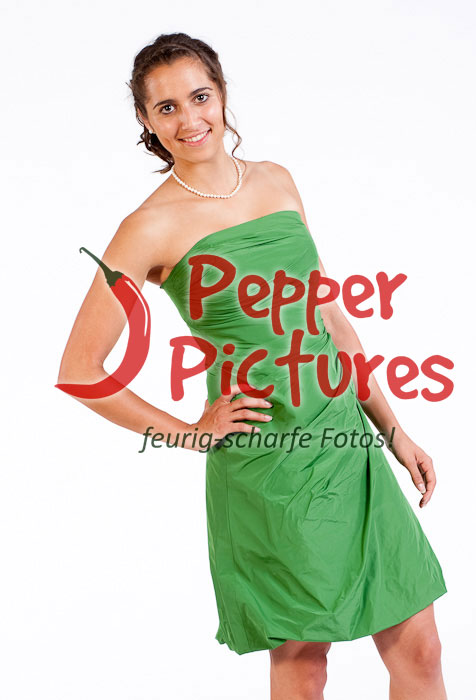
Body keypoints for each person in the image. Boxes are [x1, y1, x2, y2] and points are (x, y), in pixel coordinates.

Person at [56, 32, 448, 700]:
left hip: (345, 441)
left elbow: (327, 314)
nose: (190, 119)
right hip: (269, 463)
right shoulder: (148, 228)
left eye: (199, 96)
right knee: (305, 661)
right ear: (147, 121)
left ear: (221, 94)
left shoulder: (276, 180)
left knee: (422, 648)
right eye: (167, 108)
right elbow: (81, 369)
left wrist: (393, 429)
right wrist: (191, 432)